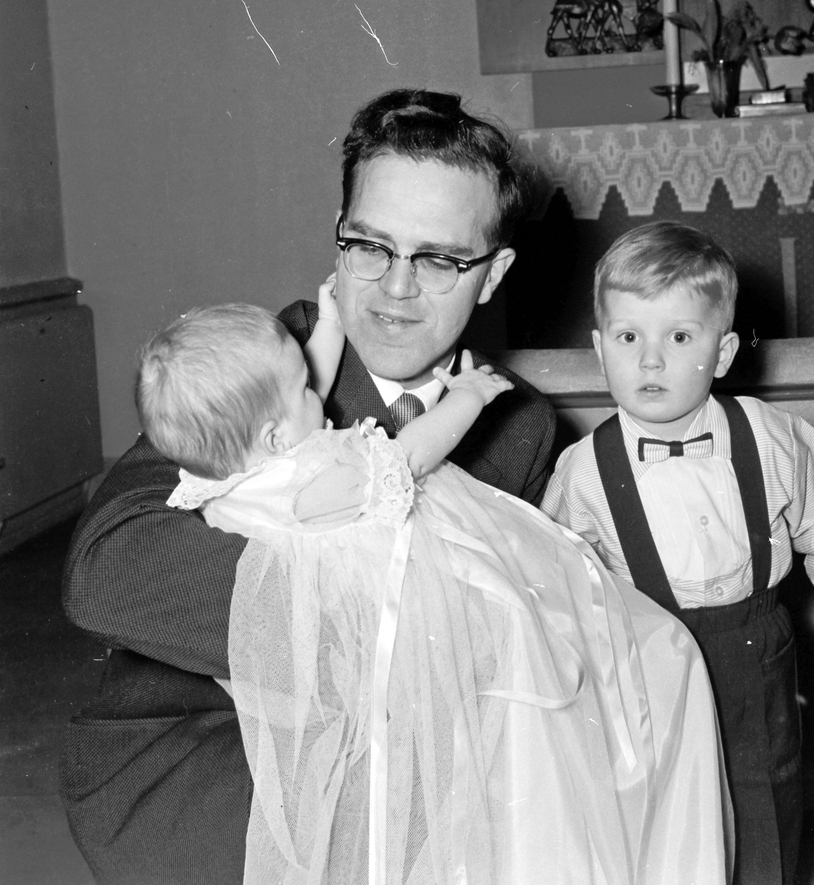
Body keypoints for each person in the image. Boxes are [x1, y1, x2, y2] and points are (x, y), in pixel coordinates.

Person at [60, 91, 559, 885]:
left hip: (412, 763)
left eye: (438, 259)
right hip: (208, 750)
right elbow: (110, 569)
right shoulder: (259, 363)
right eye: (370, 246)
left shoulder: (520, 425)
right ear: (339, 237)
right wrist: (371, 631)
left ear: (493, 273)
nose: (395, 288)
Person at [133, 302, 730, 884]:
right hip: (412, 602)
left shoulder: (222, 479)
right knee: (541, 630)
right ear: (273, 434)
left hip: (355, 621)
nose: (320, 390)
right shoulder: (322, 483)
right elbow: (409, 456)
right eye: (307, 391)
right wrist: (467, 396)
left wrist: (331, 324)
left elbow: (292, 392)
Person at [541, 222, 814, 885]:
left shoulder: (769, 435)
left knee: (765, 791)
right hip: (647, 656)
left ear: (723, 352)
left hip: (754, 645)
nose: (650, 361)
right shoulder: (584, 470)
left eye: (679, 337)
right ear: (599, 349)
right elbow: (557, 579)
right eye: (629, 338)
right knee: (663, 808)